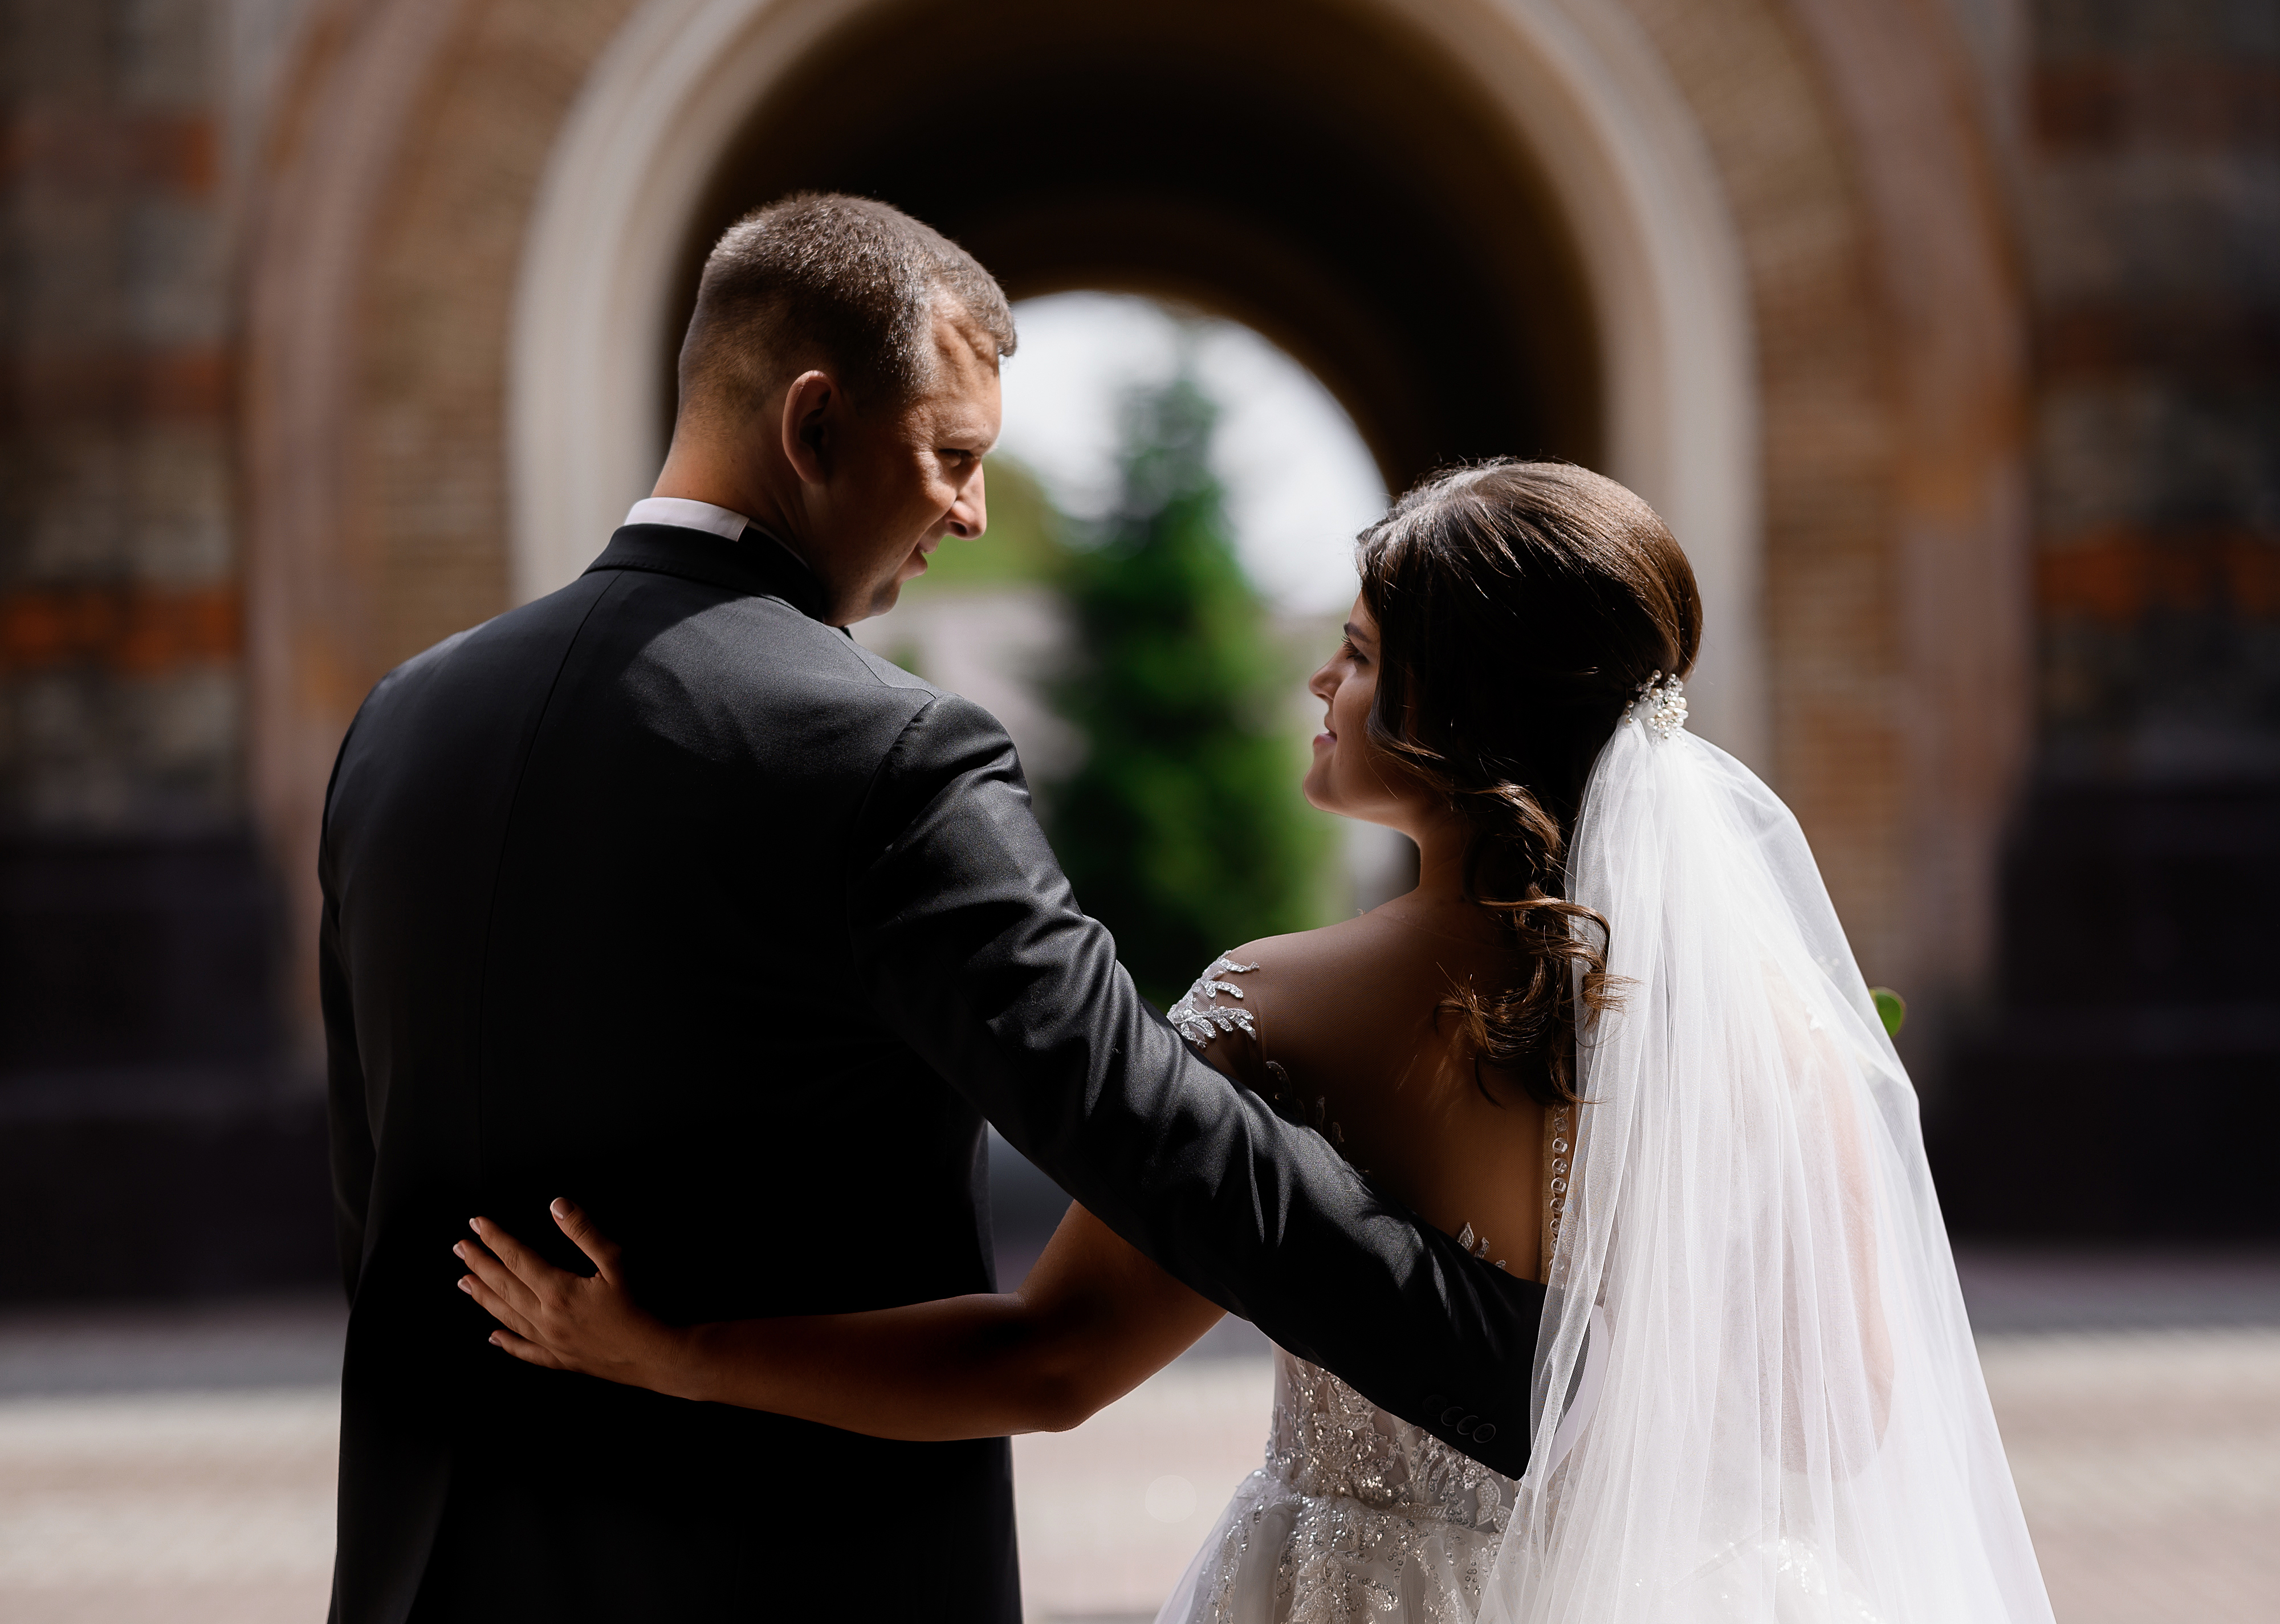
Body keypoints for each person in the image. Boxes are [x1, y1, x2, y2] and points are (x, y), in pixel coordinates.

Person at [463, 461, 2057, 1623]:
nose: (1319, 676)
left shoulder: (1282, 1009)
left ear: (1450, 715)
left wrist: (677, 1352)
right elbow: (1841, 1419)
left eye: (1358, 654)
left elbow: (1054, 1360)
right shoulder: (1774, 1032)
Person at [318, 194, 1541, 1624]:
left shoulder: (401, 722)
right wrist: (1537, 1379)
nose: (967, 510)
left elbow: (373, 1178)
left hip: (433, 1570)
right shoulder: (885, 756)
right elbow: (1149, 1135)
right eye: (952, 456)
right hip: (787, 1566)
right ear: (814, 424)